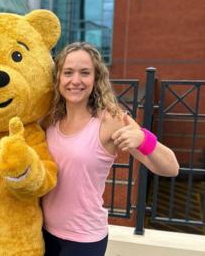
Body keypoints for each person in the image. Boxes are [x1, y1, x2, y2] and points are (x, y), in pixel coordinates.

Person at [41, 42, 179, 256]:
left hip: (84, 240)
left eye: (85, 73)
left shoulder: (111, 120)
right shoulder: (49, 119)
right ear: (58, 77)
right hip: (44, 231)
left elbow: (171, 168)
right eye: (68, 72)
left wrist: (143, 139)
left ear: (96, 78)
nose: (75, 80)